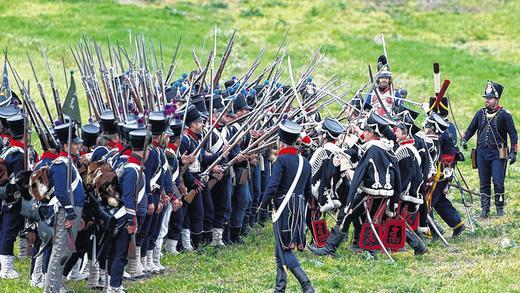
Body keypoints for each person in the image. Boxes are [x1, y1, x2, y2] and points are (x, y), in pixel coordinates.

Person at [259, 119, 315, 293]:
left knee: (284, 249)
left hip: (284, 209)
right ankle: (280, 288)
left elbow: (273, 186)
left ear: (281, 141)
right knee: (280, 249)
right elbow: (307, 191)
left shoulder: (281, 161)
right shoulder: (304, 162)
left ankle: (306, 285)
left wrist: (263, 205)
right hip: (298, 209)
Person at [461, 81, 517, 217]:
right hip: (482, 153)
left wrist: (514, 151)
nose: (487, 100)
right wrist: (464, 140)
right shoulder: (479, 114)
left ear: (497, 100)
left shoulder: (505, 115)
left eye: (490, 98)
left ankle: (499, 209)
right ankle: (485, 210)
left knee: (498, 182)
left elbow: (513, 134)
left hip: (499, 153)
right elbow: (470, 129)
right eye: (486, 97)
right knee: (484, 183)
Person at [44, 122, 85, 293]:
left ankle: (57, 284)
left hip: (73, 211)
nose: (78, 146)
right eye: (75, 143)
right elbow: (61, 192)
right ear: (66, 145)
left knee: (65, 251)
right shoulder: (61, 164)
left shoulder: (68, 163)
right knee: (59, 250)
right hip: (66, 212)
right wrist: (69, 212)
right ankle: (51, 289)